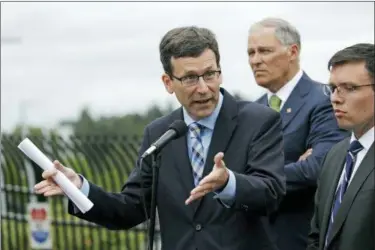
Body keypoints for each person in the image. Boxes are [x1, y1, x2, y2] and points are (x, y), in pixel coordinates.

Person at [34, 26, 286, 250]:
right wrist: (78, 188)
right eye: (189, 78)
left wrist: (229, 182)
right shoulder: (160, 133)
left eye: (210, 74)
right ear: (168, 82)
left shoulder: (259, 121)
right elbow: (130, 209)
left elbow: (272, 193)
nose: (203, 87)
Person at [247, 18, 349, 250]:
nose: (255, 60)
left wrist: (249, 180)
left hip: (299, 239)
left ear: (293, 51)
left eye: (264, 51)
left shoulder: (324, 100)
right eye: (250, 53)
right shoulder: (251, 111)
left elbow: (317, 168)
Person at [308, 43, 374, 250]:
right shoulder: (335, 155)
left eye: (350, 88)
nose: (335, 98)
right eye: (333, 88)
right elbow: (317, 236)